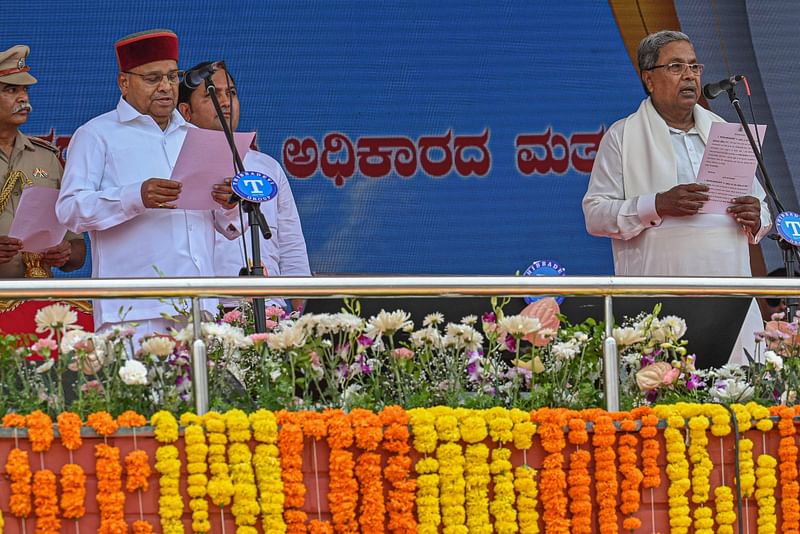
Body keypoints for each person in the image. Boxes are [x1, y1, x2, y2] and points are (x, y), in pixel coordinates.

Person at [582, 30, 772, 363]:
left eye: (694, 67)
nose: (689, 75)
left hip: (730, 302)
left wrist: (757, 216)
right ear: (649, 79)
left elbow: (762, 212)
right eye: (676, 67)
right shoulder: (623, 137)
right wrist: (655, 204)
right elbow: (595, 215)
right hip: (659, 303)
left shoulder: (725, 131)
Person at [56, 30, 242, 339]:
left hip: (199, 305)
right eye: (153, 78)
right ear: (124, 82)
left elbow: (223, 224)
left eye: (172, 76)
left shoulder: (193, 135)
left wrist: (226, 204)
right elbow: (70, 210)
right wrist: (135, 196)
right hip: (134, 309)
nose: (166, 87)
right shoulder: (97, 134)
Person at [177, 61, 310, 311]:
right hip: (209, 309)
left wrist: (301, 318)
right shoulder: (175, 166)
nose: (226, 102)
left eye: (231, 93)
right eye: (212, 95)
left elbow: (292, 246)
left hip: (270, 306)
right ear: (186, 111)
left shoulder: (267, 167)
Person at [0, 45, 85, 277]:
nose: (23, 98)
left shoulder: (46, 157)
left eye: (25, 90)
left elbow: (77, 249)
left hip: (36, 301)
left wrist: (65, 253)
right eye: (11, 89)